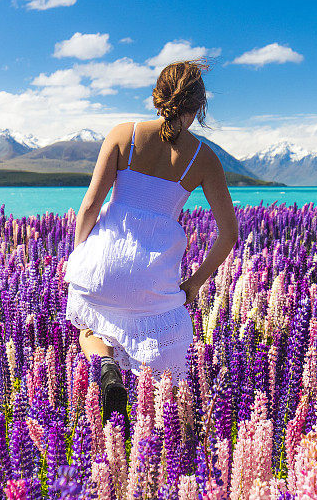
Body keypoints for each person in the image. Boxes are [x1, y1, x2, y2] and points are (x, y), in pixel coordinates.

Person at [63, 59, 239, 433]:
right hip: (153, 271)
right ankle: (157, 436)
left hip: (104, 262)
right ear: (199, 107)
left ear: (157, 95)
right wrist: (194, 283)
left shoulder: (122, 135)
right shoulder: (203, 158)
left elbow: (90, 206)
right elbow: (229, 234)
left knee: (92, 328)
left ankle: (106, 368)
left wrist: (82, 256)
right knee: (163, 352)